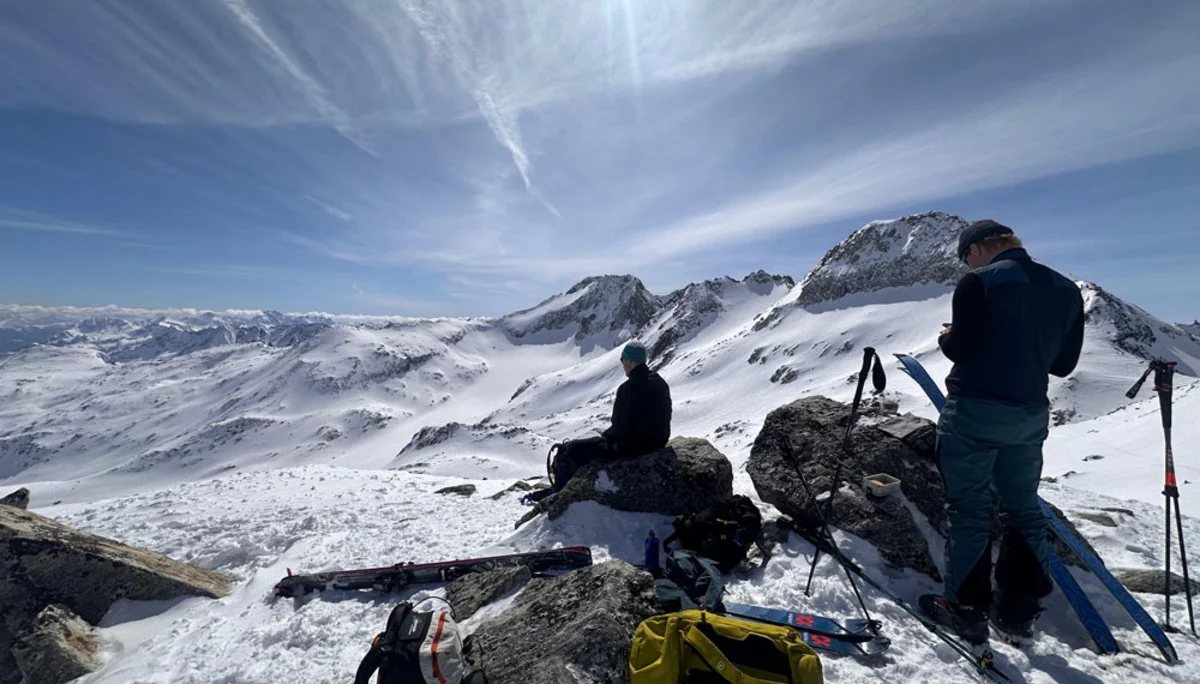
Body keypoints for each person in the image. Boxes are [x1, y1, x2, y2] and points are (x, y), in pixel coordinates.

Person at [919, 220, 1085, 647]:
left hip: (974, 410)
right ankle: (1017, 614)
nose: (964, 262)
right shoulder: (1067, 290)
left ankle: (964, 609)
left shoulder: (978, 283)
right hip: (1028, 416)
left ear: (976, 249)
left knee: (970, 512)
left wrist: (947, 338)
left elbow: (961, 348)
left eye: (963, 255)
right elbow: (1063, 366)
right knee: (1023, 511)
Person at [522, 341, 672, 504]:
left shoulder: (628, 389)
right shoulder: (660, 383)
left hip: (632, 448)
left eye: (623, 361)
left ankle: (559, 495)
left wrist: (607, 436)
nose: (622, 365)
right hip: (658, 442)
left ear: (629, 362)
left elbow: (620, 428)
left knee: (569, 450)